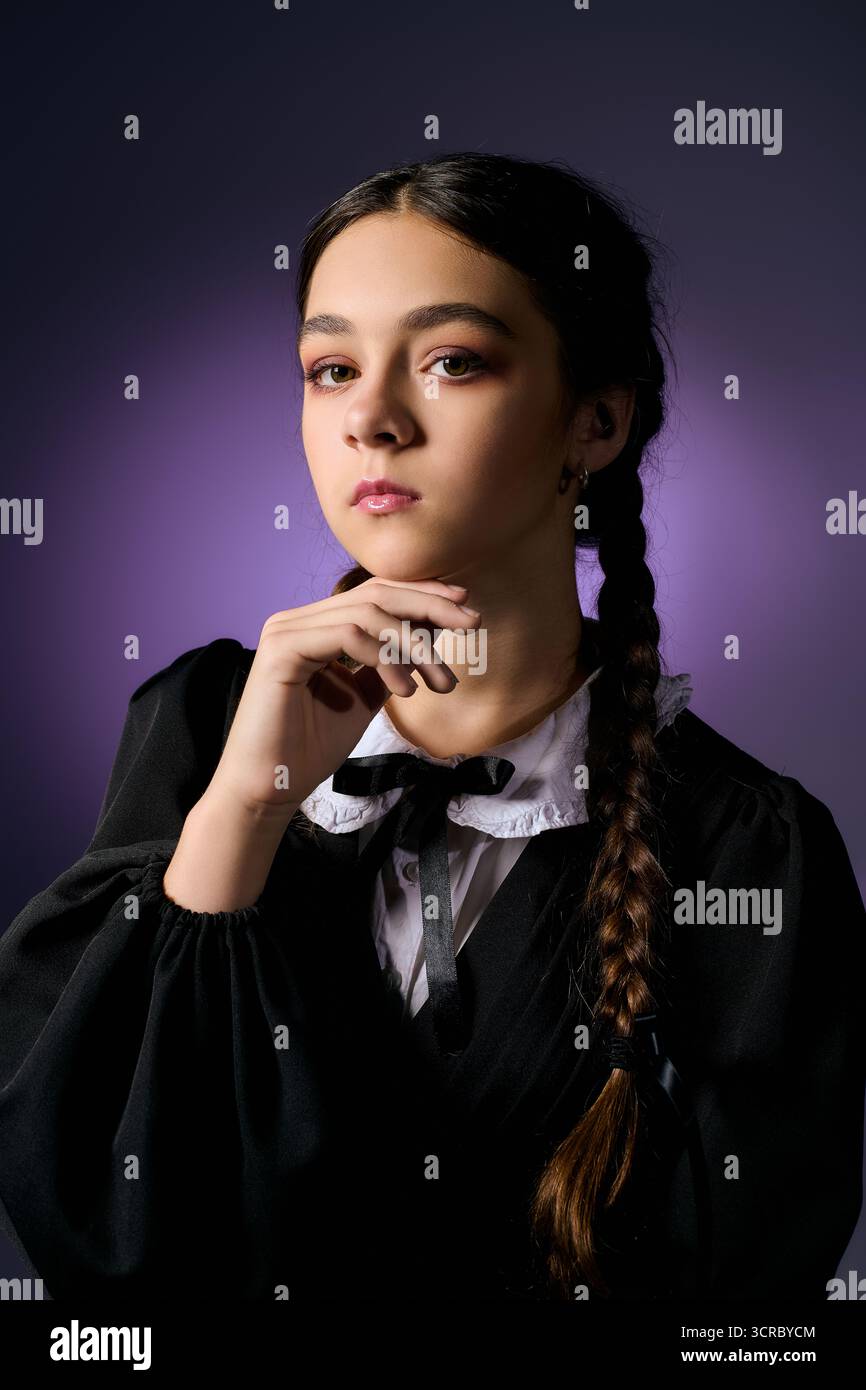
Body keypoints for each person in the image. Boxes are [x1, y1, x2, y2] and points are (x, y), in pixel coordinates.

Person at [0, 151, 863, 1303]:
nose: (371, 419)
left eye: (452, 361)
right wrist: (242, 812)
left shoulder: (747, 846)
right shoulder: (199, 725)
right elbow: (100, 1234)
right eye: (329, 367)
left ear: (595, 423)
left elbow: (743, 1303)